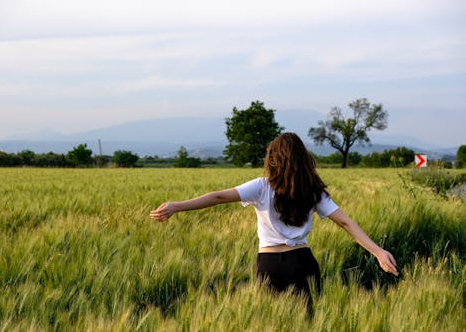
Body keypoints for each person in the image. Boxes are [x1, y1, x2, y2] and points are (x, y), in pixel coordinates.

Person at [150, 132, 398, 313]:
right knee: (308, 323)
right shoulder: (313, 191)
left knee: (270, 321)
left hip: (269, 265)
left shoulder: (261, 187)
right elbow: (345, 222)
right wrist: (377, 251)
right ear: (303, 158)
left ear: (273, 159)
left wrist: (177, 206)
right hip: (303, 263)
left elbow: (217, 197)